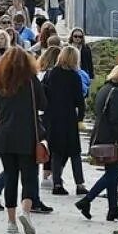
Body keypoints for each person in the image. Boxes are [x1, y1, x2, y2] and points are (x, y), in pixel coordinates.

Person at [0, 43, 43, 234]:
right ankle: (25, 212)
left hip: (4, 136)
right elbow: (43, 103)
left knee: (10, 177)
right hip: (27, 135)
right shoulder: (31, 81)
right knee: (29, 176)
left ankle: (11, 221)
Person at [76, 64, 118, 221]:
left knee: (112, 174)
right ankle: (86, 200)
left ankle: (113, 209)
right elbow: (115, 118)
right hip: (112, 138)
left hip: (101, 135)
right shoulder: (117, 93)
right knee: (111, 174)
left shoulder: (105, 89)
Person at [39, 43, 87, 197]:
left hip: (52, 117)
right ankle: (80, 184)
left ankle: (57, 183)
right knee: (75, 152)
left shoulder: (51, 74)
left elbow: (43, 94)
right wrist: (80, 118)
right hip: (69, 118)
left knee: (56, 151)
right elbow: (80, 100)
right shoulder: (74, 77)